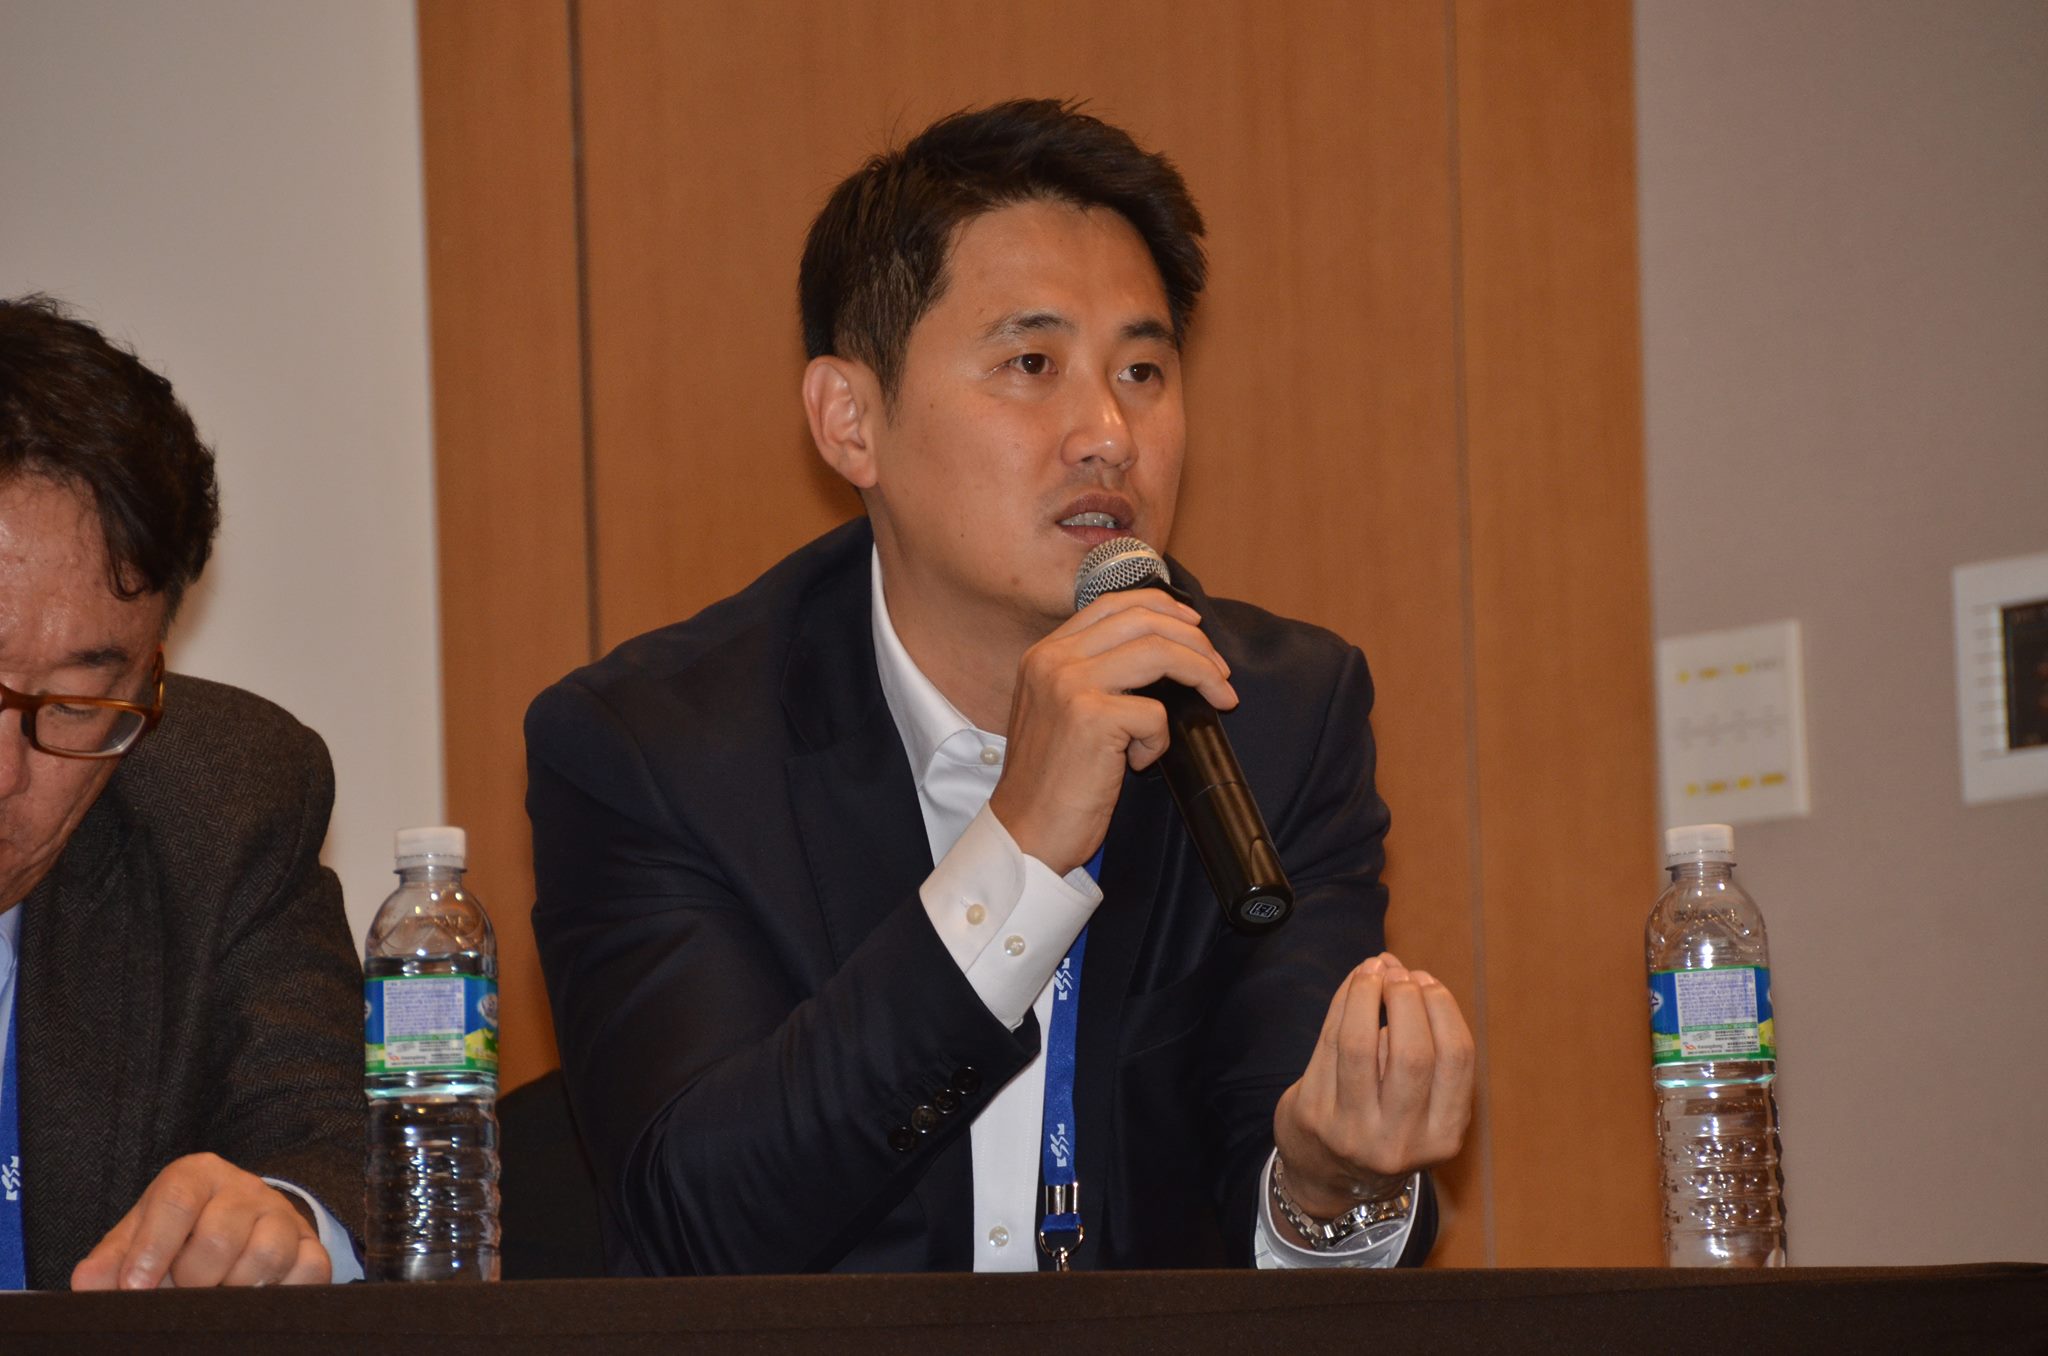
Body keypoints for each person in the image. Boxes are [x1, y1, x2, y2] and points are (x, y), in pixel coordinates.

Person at [528, 99, 1474, 1275]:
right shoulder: (654, 751)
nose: (1108, 433)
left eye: (1142, 369)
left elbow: (1275, 1179)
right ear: (849, 421)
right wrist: (1017, 846)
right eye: (1031, 365)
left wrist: (1327, 1188)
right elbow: (696, 1223)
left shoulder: (1271, 717)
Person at [0, 295, 363, 1290]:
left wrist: (276, 1222)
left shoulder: (225, 799)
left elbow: (326, 1144)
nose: (7, 775)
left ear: (150, 677)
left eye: (77, 703)